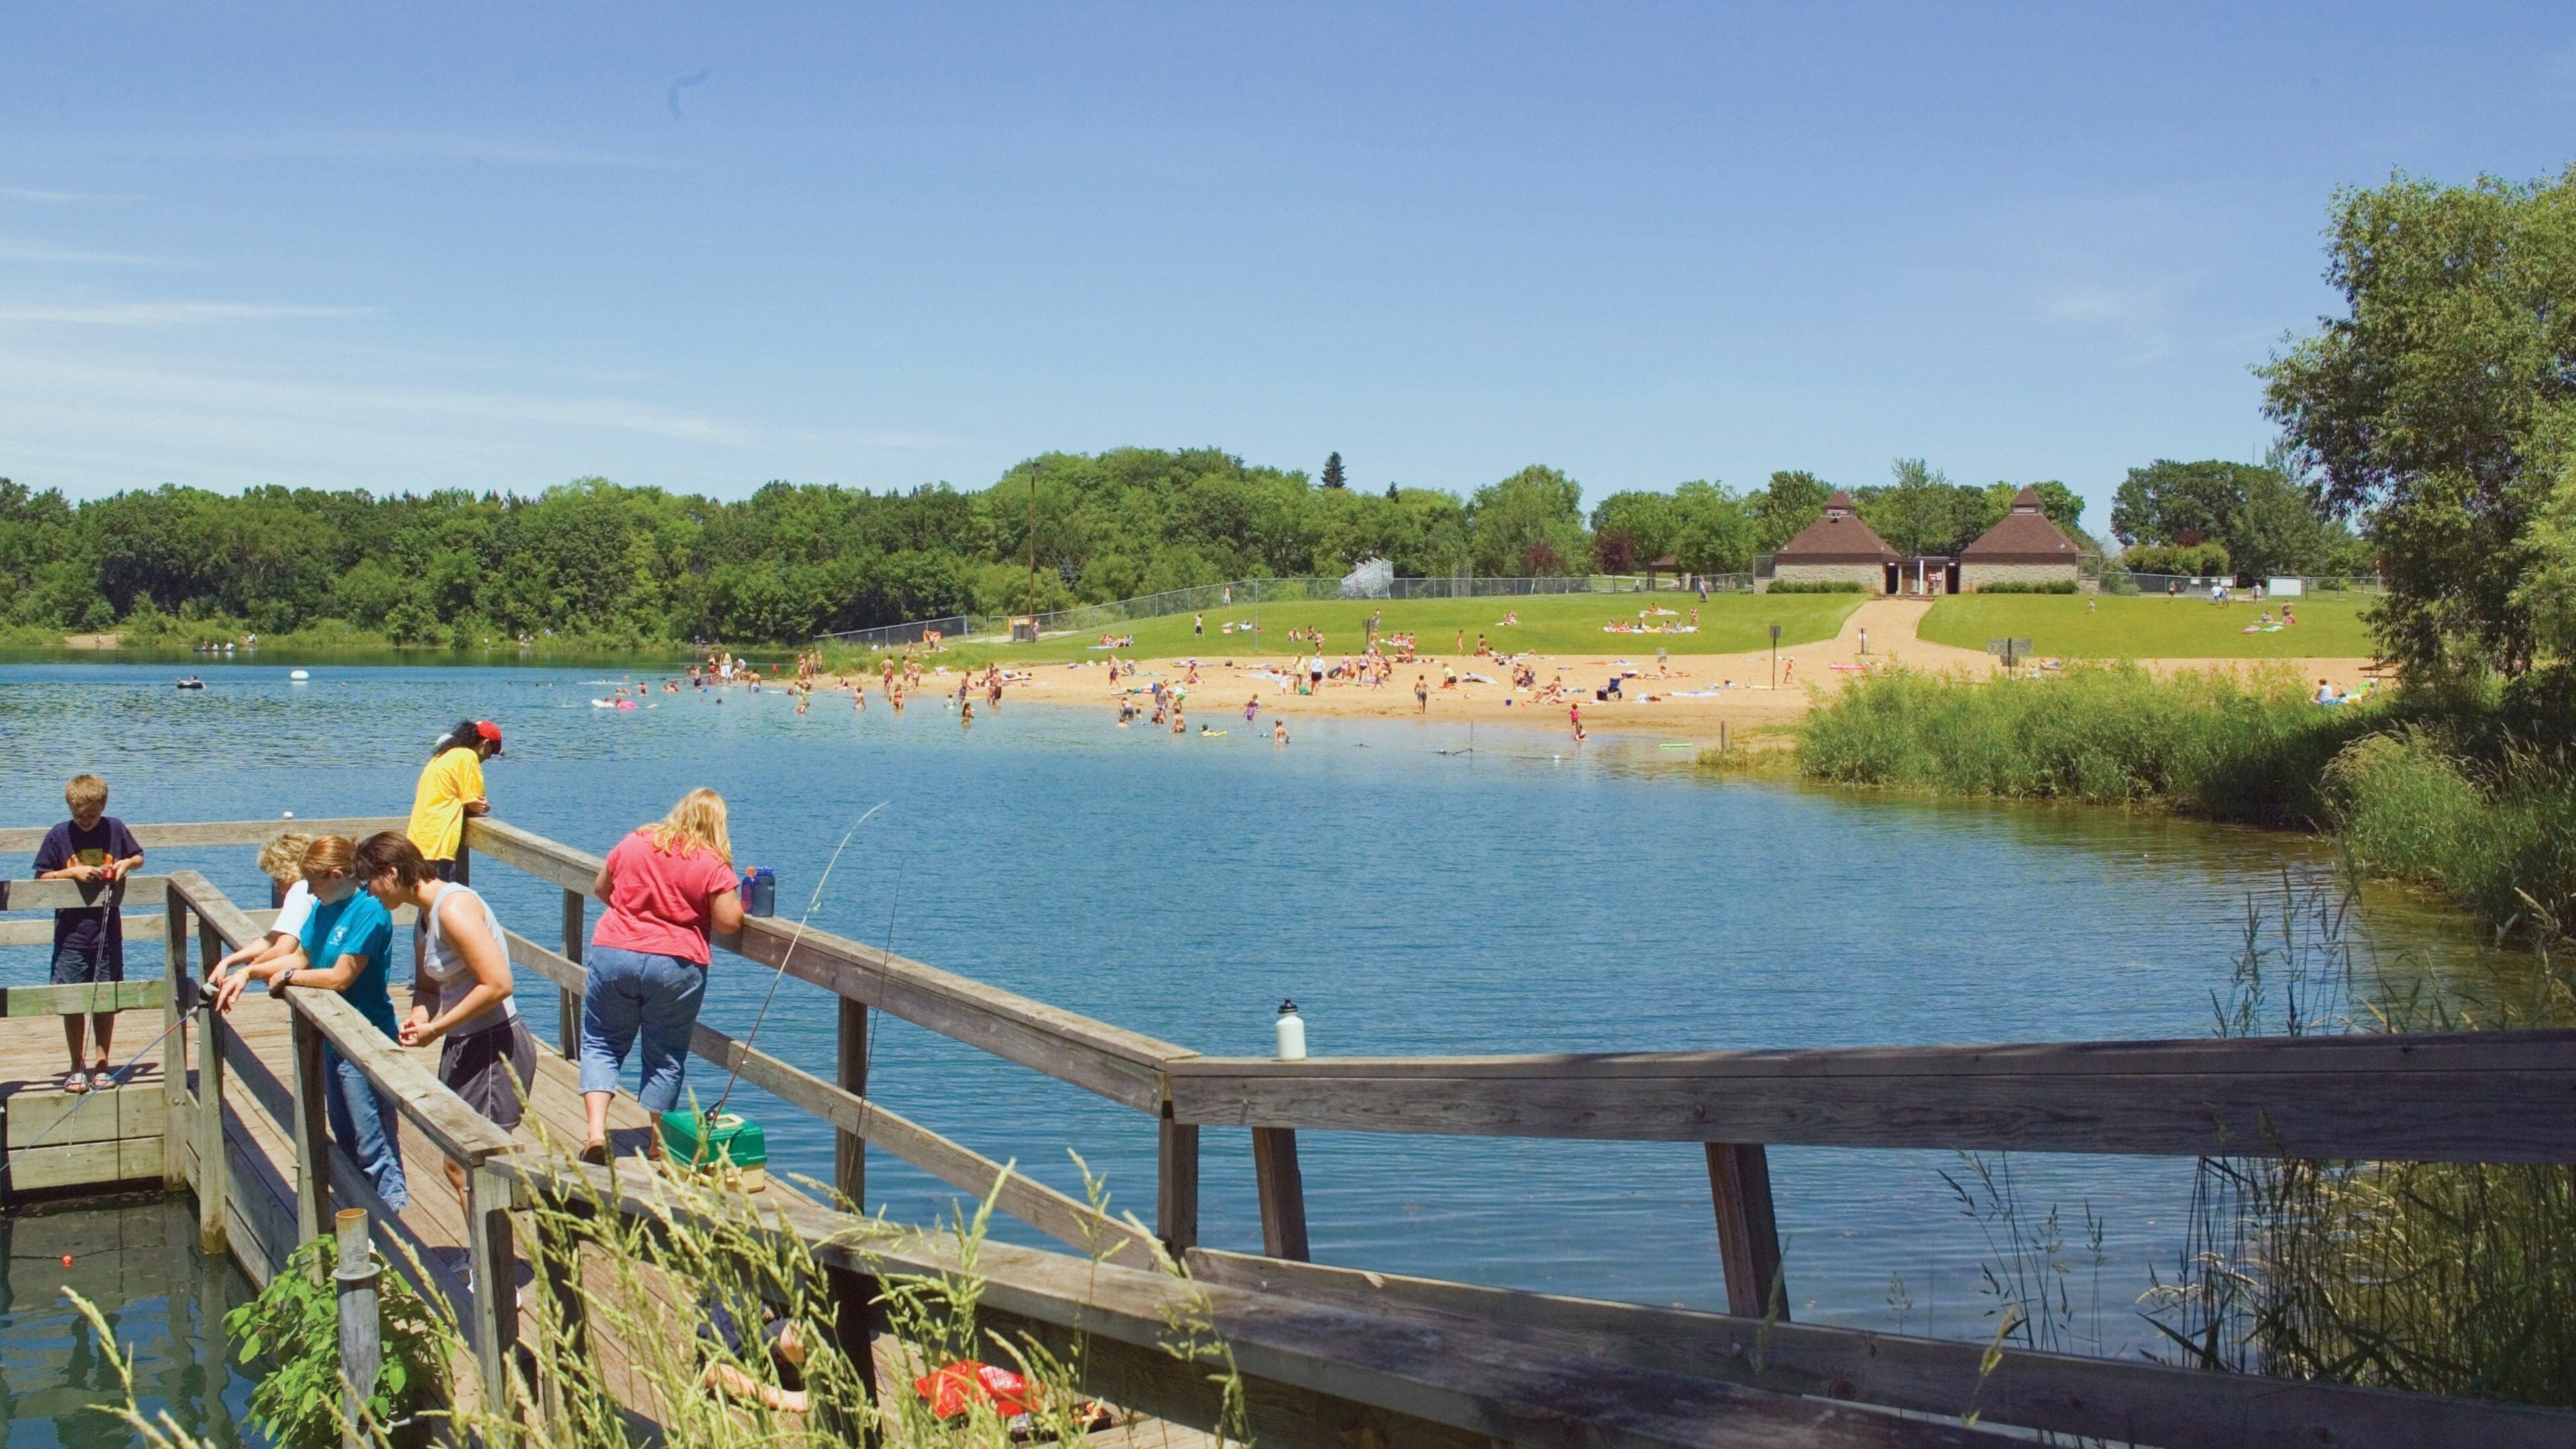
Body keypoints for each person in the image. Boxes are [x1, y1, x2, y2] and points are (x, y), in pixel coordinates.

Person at [215, 837, 408, 1208]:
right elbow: (302, 956)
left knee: (374, 1144)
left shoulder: (370, 910)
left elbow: (340, 977)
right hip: (331, 1039)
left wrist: (288, 977)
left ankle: (392, 1219)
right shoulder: (323, 907)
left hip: (366, 1040)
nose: (308, 891)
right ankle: (359, 1217)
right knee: (345, 1137)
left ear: (336, 875)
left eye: (313, 882)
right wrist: (247, 973)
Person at [352, 833, 537, 1208]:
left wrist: (437, 1029)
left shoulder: (454, 909)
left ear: (391, 873)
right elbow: (428, 989)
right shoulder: (424, 918)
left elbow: (498, 984)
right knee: (463, 1163)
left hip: (494, 1046)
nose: (369, 893)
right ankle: (492, 1243)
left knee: (471, 1165)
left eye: (369, 882)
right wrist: (419, 1018)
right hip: (463, 1044)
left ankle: (501, 1244)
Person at [580, 790, 746, 1165]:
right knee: (665, 1054)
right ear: (718, 825)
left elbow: (602, 888)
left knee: (602, 1042)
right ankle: (658, 1142)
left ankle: (595, 1133)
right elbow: (729, 922)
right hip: (675, 965)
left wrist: (634, 913)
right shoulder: (712, 862)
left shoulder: (636, 841)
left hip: (614, 953)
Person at [34, 774, 144, 1093]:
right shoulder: (59, 835)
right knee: (72, 1002)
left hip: (108, 934)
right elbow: (41, 877)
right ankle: (76, 1065)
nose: (85, 821)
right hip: (70, 936)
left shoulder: (115, 829)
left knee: (105, 1001)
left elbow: (138, 857)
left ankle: (102, 1064)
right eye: (78, 815)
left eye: (92, 815)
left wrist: (125, 866)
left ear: (103, 807)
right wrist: (71, 872)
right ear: (70, 808)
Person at [210, 831, 317, 989]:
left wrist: (244, 973)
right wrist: (227, 962)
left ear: (289, 872)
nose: (276, 886)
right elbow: (272, 938)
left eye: (277, 879)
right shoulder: (315, 889)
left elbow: (283, 949)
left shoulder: (300, 891)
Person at [409, 720, 502, 881]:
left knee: (425, 895)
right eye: (492, 752)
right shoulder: (467, 756)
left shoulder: (443, 755)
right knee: (444, 894)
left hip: (419, 840)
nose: (488, 757)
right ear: (486, 743)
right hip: (439, 843)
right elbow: (476, 804)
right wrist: (485, 807)